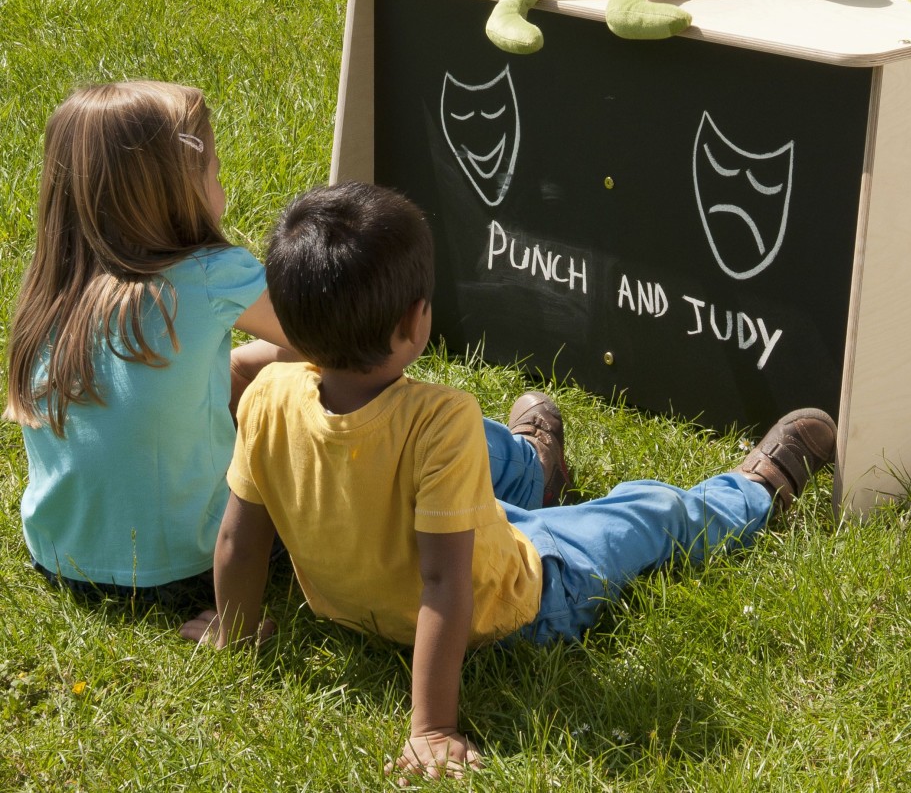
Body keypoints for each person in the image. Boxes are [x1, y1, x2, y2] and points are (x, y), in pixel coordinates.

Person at [191, 180, 837, 780]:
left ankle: (538, 466)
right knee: (647, 514)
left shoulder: (267, 393)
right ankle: (754, 493)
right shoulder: (442, 418)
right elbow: (446, 582)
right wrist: (431, 728)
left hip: (359, 596)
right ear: (415, 323)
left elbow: (239, 541)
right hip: (521, 595)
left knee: (492, 496)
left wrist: (236, 629)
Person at [4, 80, 293, 607]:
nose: (224, 189)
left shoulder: (50, 286)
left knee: (232, 370)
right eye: (217, 174)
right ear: (178, 191)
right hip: (188, 564)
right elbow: (323, 337)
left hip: (59, 557)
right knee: (306, 394)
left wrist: (242, 363)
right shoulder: (212, 275)